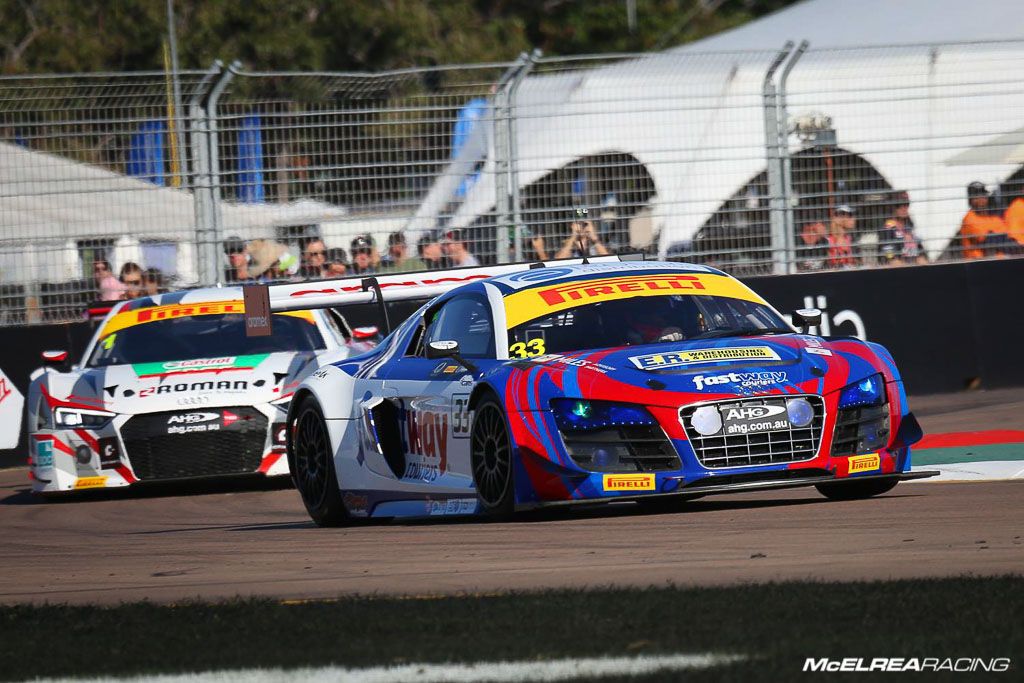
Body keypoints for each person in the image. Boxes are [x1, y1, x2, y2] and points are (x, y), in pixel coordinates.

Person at [958, 182, 1008, 259]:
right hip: (977, 265)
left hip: (999, 263)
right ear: (970, 199)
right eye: (976, 196)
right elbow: (990, 242)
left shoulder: (992, 217)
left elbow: (1007, 237)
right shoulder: (969, 219)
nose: (981, 199)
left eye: (983, 195)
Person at [878, 191, 927, 266]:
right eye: (899, 205)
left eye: (906, 204)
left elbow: (921, 250)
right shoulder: (888, 227)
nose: (904, 208)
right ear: (893, 207)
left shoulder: (909, 227)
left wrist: (921, 258)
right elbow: (888, 252)